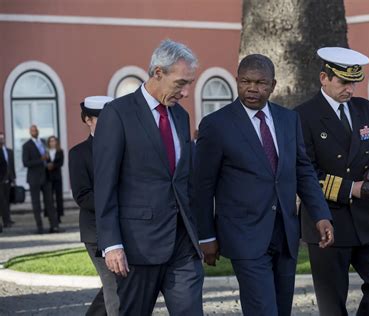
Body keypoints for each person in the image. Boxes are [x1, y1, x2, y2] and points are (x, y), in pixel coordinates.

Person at [192, 54, 334, 316]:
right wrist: (207, 236)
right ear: (236, 82)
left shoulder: (288, 120)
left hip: (284, 234)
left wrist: (321, 215)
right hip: (244, 235)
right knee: (263, 310)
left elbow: (303, 171)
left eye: (260, 82)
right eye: (245, 81)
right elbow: (202, 186)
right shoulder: (216, 125)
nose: (252, 88)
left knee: (281, 310)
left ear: (273, 85)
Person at [93, 39, 203, 316]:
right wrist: (111, 244)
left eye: (190, 83)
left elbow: (182, 179)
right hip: (136, 247)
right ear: (157, 73)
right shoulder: (117, 114)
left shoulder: (181, 116)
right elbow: (105, 185)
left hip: (182, 243)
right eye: (181, 83)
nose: (187, 92)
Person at [295, 47, 369, 316]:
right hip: (327, 220)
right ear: (324, 77)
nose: (350, 89)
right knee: (333, 305)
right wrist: (357, 188)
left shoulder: (364, 109)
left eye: (354, 82)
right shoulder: (302, 116)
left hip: (366, 218)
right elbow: (306, 175)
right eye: (344, 82)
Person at [69, 96, 120, 316]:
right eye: (101, 119)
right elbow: (83, 196)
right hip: (96, 232)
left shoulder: (124, 147)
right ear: (87, 119)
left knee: (124, 283)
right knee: (114, 286)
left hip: (127, 227)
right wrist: (116, 203)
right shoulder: (78, 154)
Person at [22, 125, 63, 234]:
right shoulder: (26, 145)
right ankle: (40, 228)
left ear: (38, 131)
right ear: (30, 132)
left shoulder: (44, 142)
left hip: (46, 177)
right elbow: (26, 163)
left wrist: (49, 163)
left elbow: (49, 156)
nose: (34, 131)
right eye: (32, 130)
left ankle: (54, 226)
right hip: (34, 179)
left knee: (50, 203)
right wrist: (41, 160)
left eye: (35, 130)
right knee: (36, 205)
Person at [46, 135, 64, 223]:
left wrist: (53, 166)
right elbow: (44, 163)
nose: (52, 143)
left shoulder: (60, 151)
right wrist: (47, 166)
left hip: (57, 177)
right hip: (48, 178)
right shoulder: (46, 152)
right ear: (48, 143)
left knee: (58, 197)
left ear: (56, 142)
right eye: (50, 141)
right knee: (50, 198)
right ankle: (50, 215)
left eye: (54, 141)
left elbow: (61, 163)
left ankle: (59, 216)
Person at [0, 132, 16, 229]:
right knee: (2, 201)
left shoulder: (9, 151)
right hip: (1, 180)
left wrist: (13, 178)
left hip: (9, 179)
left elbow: (11, 165)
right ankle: (5, 221)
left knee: (7, 200)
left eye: (2, 138)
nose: (1, 140)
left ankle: (8, 218)